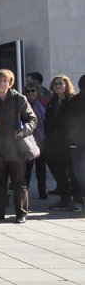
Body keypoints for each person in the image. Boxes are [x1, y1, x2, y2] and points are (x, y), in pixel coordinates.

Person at [0, 69, 37, 223]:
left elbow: (32, 119)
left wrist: (24, 130)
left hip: (15, 148)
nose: (1, 83)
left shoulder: (19, 99)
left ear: (10, 82)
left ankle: (21, 214)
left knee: (18, 182)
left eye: (5, 80)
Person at [45, 74, 80, 212]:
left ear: (67, 85)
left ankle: (77, 200)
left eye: (60, 83)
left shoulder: (73, 101)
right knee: (59, 173)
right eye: (55, 84)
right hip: (54, 143)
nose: (58, 86)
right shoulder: (52, 102)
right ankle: (65, 199)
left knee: (74, 174)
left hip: (70, 143)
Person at [23, 83, 48, 199]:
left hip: (41, 138)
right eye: (27, 91)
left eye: (33, 90)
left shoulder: (43, 104)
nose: (30, 93)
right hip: (28, 139)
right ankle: (25, 192)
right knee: (27, 168)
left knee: (41, 168)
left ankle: (42, 191)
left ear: (37, 91)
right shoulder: (23, 104)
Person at [64, 75, 85, 205]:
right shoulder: (76, 100)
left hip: (77, 142)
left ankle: (80, 198)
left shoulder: (74, 100)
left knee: (79, 173)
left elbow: (67, 122)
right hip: (78, 142)